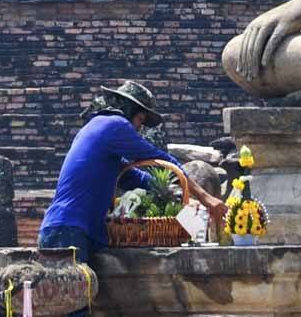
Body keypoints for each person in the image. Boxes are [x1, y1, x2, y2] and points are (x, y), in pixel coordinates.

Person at [38, 80, 228, 265]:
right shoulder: (115, 125)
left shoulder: (97, 132)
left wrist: (179, 198)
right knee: (70, 295)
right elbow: (160, 161)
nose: (139, 128)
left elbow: (135, 178)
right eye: (140, 120)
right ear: (129, 110)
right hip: (68, 230)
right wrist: (205, 198)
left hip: (67, 229)